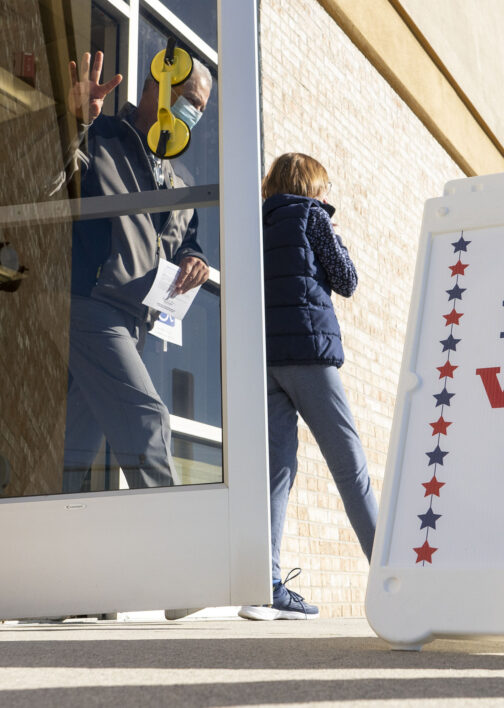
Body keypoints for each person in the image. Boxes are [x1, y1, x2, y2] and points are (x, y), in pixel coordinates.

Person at [59, 50, 211, 492]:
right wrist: (76, 124)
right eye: (191, 100)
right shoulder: (102, 135)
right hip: (92, 306)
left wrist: (195, 261)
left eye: (202, 109)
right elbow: (49, 182)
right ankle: (175, 547)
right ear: (156, 89)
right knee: (149, 420)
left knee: (70, 457)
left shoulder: (179, 184)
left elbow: (187, 243)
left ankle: (30, 546)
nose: (196, 114)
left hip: (136, 326)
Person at [239, 153, 378, 621]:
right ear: (312, 186)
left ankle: (266, 587)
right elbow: (347, 280)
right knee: (350, 466)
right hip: (308, 355)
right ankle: (392, 575)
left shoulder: (252, 222)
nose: (327, 196)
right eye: (325, 187)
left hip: (264, 360)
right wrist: (335, 235)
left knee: (277, 472)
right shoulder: (312, 216)